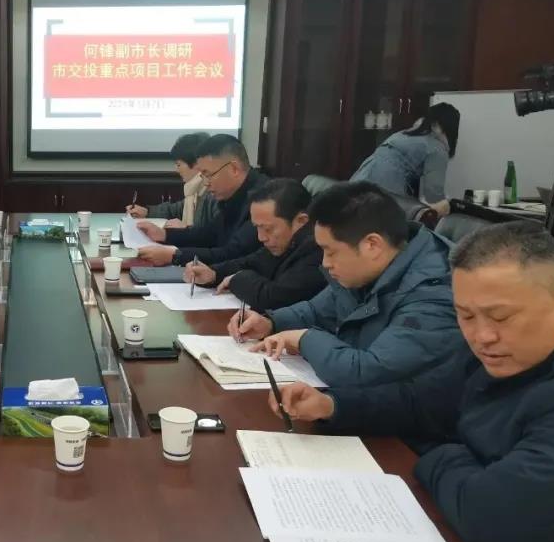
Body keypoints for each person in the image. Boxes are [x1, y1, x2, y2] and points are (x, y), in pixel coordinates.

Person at [274, 222, 554, 542]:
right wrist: (332, 405)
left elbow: (494, 519)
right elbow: (420, 401)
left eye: (501, 317)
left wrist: (440, 452)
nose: (482, 336)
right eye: (465, 316)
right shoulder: (495, 352)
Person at [233, 181, 460, 386]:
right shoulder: (368, 267)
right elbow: (316, 310)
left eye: (330, 252)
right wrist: (271, 322)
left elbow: (368, 371)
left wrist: (304, 340)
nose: (325, 263)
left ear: (372, 245)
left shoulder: (433, 294)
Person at [182, 178, 324, 312]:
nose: (261, 237)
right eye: (257, 228)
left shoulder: (319, 248)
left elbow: (273, 298)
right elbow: (251, 262)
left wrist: (237, 279)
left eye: (267, 229)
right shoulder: (286, 242)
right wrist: (213, 274)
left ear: (301, 221)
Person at [136, 135, 267, 267]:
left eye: (208, 175)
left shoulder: (263, 199)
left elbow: (232, 254)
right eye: (202, 176)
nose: (205, 183)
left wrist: (175, 256)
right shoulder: (231, 195)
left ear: (234, 169)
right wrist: (164, 234)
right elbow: (209, 234)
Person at [351, 102, 460, 217]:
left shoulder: (405, 134)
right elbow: (434, 196)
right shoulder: (437, 148)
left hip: (361, 176)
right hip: (384, 185)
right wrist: (447, 205)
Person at [126, 131, 212, 229]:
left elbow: (212, 233)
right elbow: (175, 210)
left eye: (179, 165)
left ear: (197, 163)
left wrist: (186, 229)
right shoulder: (194, 191)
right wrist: (147, 212)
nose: (177, 170)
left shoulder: (212, 193)